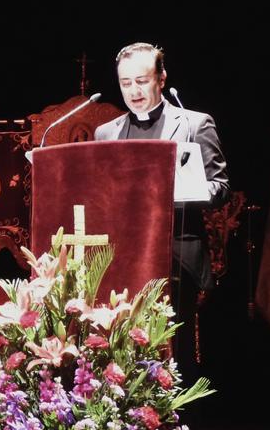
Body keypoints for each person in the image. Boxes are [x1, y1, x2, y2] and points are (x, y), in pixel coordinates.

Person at [95, 43, 230, 291]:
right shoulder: (105, 133)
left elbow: (220, 189)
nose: (134, 91)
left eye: (141, 81)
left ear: (161, 79)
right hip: (121, 257)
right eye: (126, 83)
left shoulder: (195, 124)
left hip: (178, 259)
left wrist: (176, 191)